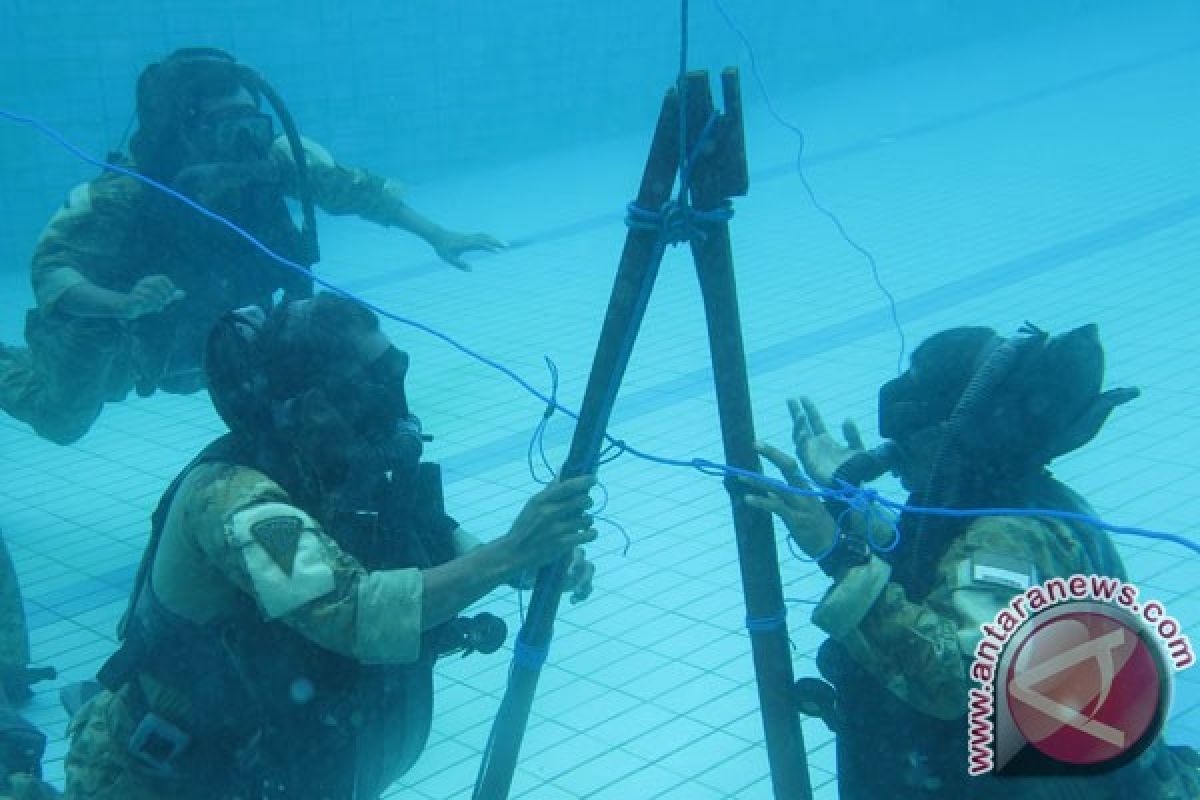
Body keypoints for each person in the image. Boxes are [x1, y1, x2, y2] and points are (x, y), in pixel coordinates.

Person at [60, 292, 596, 799]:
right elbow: (351, 612)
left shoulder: (342, 467)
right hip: (158, 785)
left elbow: (437, 535)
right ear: (316, 405)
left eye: (397, 371)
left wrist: (530, 560)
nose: (396, 395)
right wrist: (509, 553)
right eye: (378, 379)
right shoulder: (238, 503)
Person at [746, 323, 1200, 799]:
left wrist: (839, 555)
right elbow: (942, 563)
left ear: (953, 441)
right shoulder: (1023, 499)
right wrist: (853, 508)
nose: (894, 457)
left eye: (910, 442)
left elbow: (955, 680)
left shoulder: (1007, 539)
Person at [0, 47, 505, 446]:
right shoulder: (126, 194)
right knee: (61, 421)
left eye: (252, 125)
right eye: (227, 129)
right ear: (188, 132)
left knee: (292, 390)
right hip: (120, 336)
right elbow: (51, 271)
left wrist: (438, 235)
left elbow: (357, 191)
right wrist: (123, 304)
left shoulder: (276, 162)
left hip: (209, 330)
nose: (245, 144)